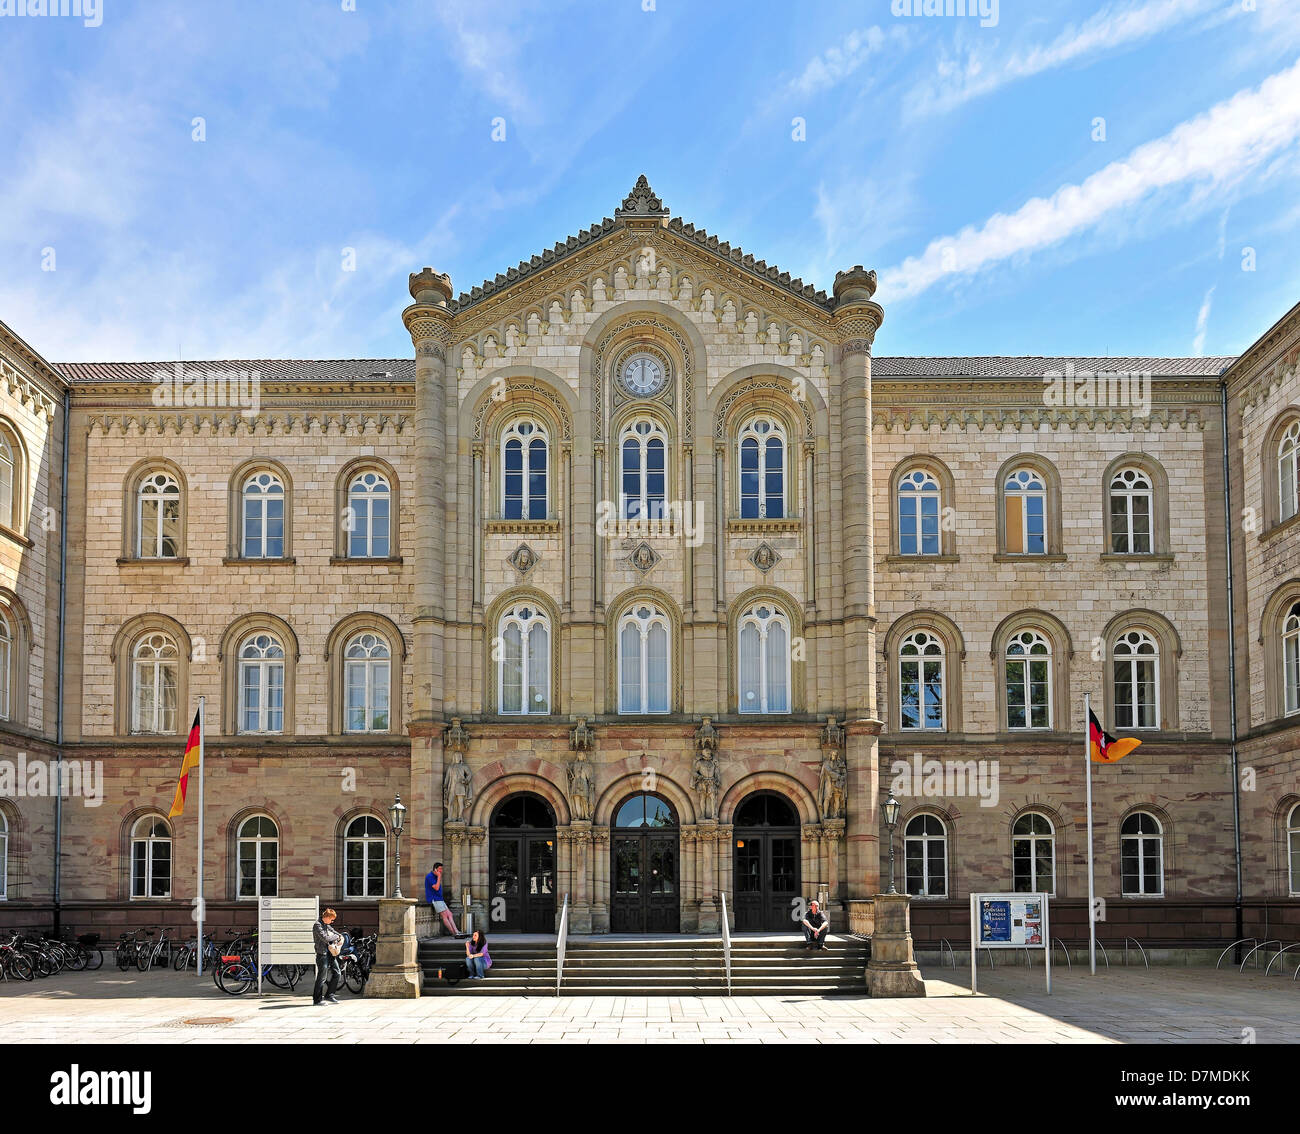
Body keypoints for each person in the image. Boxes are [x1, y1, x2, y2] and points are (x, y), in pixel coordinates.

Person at [312, 907, 344, 1005]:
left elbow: (337, 933)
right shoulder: (318, 925)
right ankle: (317, 1000)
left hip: (330, 953)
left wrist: (339, 936)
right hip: (322, 954)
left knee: (337, 973)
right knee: (322, 977)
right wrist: (337, 937)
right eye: (332, 919)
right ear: (327, 917)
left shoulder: (327, 925)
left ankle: (329, 995)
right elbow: (326, 938)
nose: (332, 921)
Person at [424, 862, 462, 937]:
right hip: (435, 899)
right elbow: (436, 887)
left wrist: (438, 876)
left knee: (450, 914)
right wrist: (439, 877)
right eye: (440, 869)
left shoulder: (435, 876)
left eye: (442, 869)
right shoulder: (430, 876)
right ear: (435, 869)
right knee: (444, 916)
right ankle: (454, 933)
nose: (441, 870)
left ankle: (456, 931)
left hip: (440, 899)